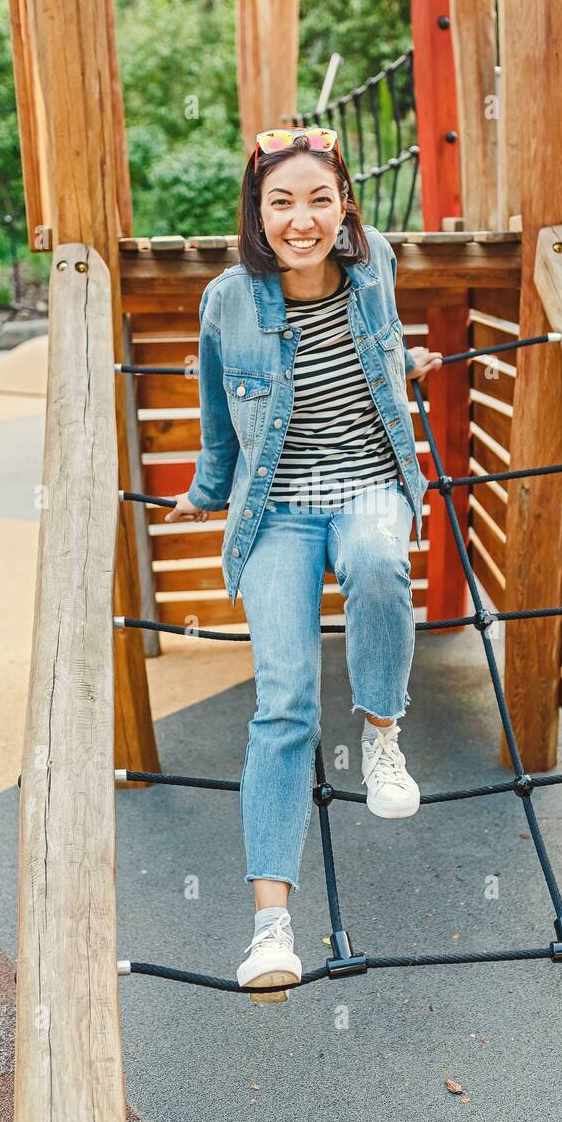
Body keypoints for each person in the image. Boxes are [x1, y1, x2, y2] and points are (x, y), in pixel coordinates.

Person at [165, 127, 443, 1002]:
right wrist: (210, 488)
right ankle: (270, 926)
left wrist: (406, 361)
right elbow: (218, 411)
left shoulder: (377, 265)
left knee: (376, 565)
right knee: (282, 701)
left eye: (319, 198)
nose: (301, 219)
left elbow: (382, 342)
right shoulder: (227, 302)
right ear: (257, 210)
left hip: (367, 484)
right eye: (281, 201)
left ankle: (383, 737)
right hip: (276, 510)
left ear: (345, 204)